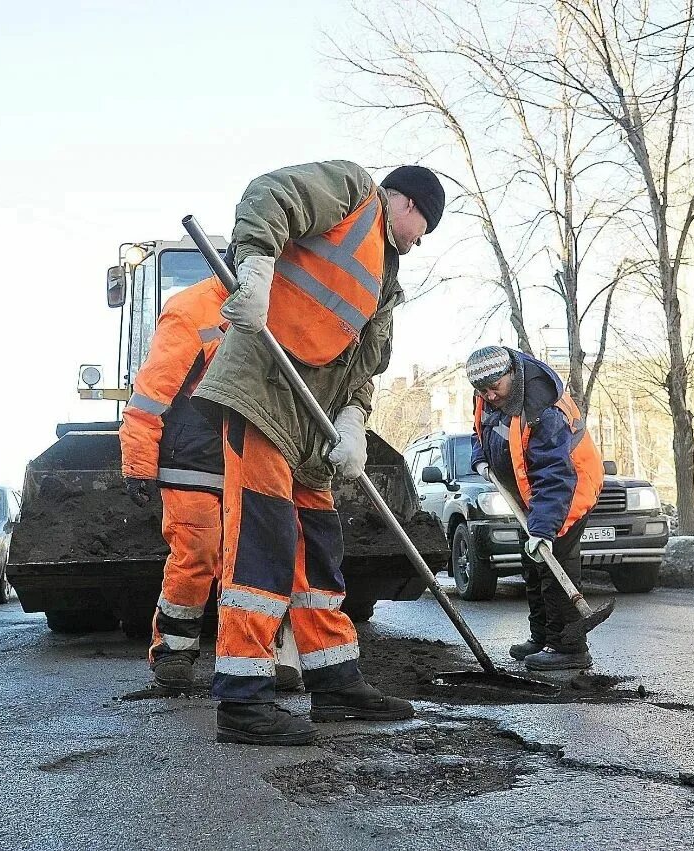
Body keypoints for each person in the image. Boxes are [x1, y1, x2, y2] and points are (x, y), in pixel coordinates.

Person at [193, 160, 446, 745]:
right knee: (263, 542)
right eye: (422, 228)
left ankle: (335, 681)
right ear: (405, 205)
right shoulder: (354, 192)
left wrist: (354, 421)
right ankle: (243, 697)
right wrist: (254, 271)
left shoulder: (385, 280)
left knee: (319, 547)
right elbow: (270, 193)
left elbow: (365, 367)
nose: (417, 242)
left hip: (315, 421)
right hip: (263, 388)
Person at [119, 274, 302, 693]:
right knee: (196, 556)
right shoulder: (191, 309)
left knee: (254, 561)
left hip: (253, 455)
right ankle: (174, 654)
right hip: (194, 462)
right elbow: (151, 393)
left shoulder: (283, 305)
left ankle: (257, 657)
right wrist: (139, 462)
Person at [466, 345, 604, 671]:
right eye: (481, 391)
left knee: (553, 566)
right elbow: (479, 429)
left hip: (568, 487)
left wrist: (543, 529)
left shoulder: (543, 408)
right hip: (527, 493)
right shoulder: (487, 393)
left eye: (494, 388)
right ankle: (541, 637)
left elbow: (555, 476)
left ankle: (568, 647)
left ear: (511, 374)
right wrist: (480, 456)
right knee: (532, 564)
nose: (489, 396)